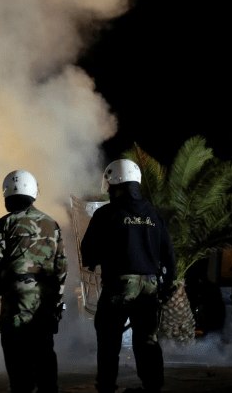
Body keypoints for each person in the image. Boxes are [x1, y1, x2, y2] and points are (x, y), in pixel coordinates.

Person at [80, 159, 176, 393]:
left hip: (120, 285)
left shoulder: (106, 214)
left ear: (115, 184)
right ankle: (152, 385)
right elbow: (169, 255)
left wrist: (94, 262)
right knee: (147, 338)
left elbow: (88, 251)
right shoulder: (154, 215)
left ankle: (106, 386)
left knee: (108, 337)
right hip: (150, 284)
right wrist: (167, 283)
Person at [0, 170, 67, 393]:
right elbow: (61, 266)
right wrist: (57, 299)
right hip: (45, 302)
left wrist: (2, 288)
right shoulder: (52, 224)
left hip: (16, 301)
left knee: (16, 355)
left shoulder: (3, 224)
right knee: (44, 352)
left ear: (7, 195)